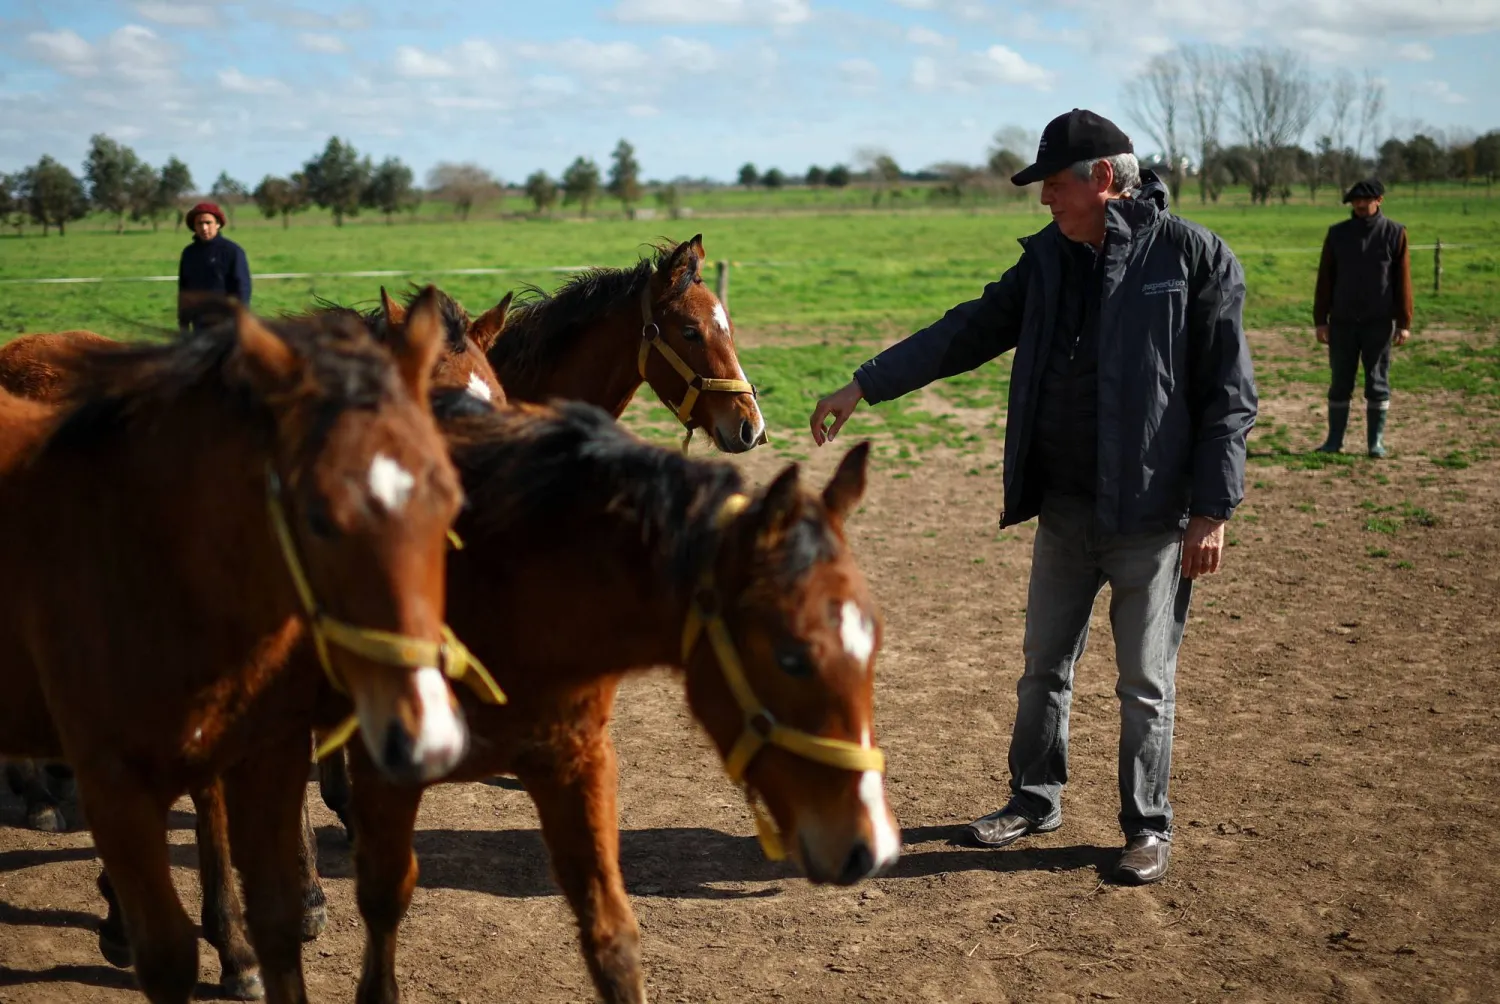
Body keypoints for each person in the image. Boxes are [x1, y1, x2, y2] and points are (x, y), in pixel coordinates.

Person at [807, 109, 1257, 885]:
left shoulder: (1192, 258)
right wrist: (865, 384)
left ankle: (1146, 827)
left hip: (1152, 519)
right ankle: (1033, 797)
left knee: (1145, 684)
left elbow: (1229, 397)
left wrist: (1213, 510)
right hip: (1066, 509)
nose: (1044, 199)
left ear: (1104, 180)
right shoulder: (1048, 261)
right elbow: (969, 330)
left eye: (1053, 184)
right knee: (1043, 667)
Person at [1312, 179, 1412, 458]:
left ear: (1379, 200)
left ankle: (1374, 443)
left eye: (1365, 200)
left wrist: (1404, 323)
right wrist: (1321, 320)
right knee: (1340, 381)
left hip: (1378, 323)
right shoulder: (1337, 234)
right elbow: (1325, 280)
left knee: (1377, 381)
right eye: (1355, 201)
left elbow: (1403, 281)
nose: (1359, 205)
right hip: (1342, 322)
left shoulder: (1395, 233)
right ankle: (1334, 441)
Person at [177, 201, 251, 332]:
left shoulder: (232, 251)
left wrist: (240, 318)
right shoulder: (189, 253)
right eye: (199, 224)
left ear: (218, 224)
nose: (204, 228)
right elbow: (184, 288)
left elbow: (242, 287)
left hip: (226, 322)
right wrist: (183, 322)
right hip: (199, 322)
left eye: (208, 223)